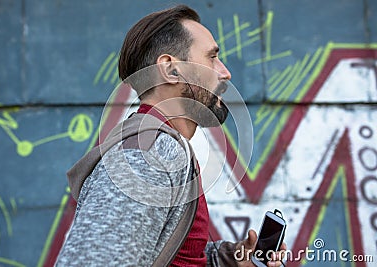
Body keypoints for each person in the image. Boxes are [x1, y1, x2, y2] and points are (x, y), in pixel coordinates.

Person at [56, 5, 286, 267]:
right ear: (172, 70)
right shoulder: (146, 156)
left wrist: (228, 260)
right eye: (212, 57)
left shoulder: (161, 148)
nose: (225, 72)